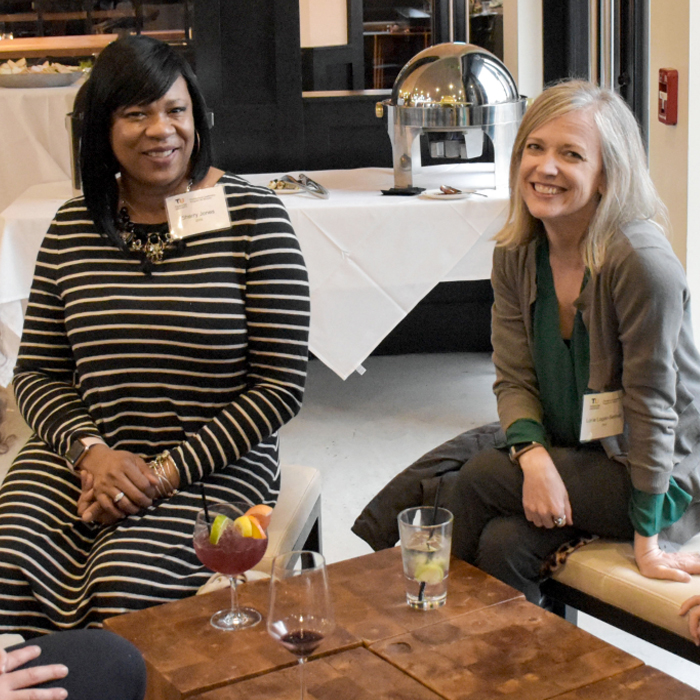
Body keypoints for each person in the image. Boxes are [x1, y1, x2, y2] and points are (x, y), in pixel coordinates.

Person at [0, 34, 310, 635]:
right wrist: (92, 453)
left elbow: (279, 387)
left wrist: (163, 471)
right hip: (87, 449)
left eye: (175, 110)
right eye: (135, 113)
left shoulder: (253, 218)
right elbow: (36, 372)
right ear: (101, 128)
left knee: (124, 581)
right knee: (11, 557)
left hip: (214, 459)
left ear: (196, 116)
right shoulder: (72, 227)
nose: (160, 130)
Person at [356, 79, 700, 608]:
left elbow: (655, 409)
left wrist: (649, 542)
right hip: (571, 451)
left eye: (571, 154)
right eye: (534, 148)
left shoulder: (641, 263)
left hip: (651, 474)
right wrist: (536, 458)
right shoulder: (517, 252)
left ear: (607, 174)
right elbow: (513, 374)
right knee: (505, 544)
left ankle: (431, 622)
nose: (545, 167)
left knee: (482, 473)